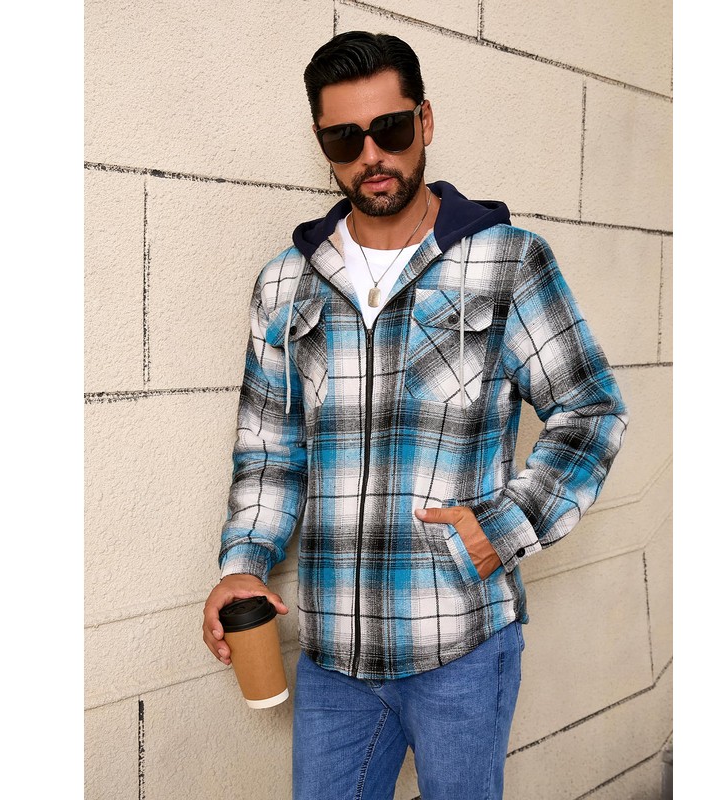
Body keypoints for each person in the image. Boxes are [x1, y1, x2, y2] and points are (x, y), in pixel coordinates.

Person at [202, 30, 628, 800]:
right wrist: (242, 565)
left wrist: (505, 525)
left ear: (425, 121)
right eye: (345, 138)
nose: (372, 155)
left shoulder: (505, 261)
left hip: (460, 649)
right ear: (322, 144)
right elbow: (268, 453)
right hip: (333, 659)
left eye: (391, 128)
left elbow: (590, 409)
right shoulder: (285, 285)